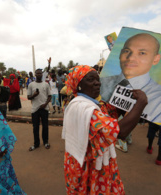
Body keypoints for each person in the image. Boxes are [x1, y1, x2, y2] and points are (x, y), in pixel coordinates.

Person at [62, 65, 148, 194]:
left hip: (85, 161)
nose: (97, 83)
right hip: (90, 165)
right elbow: (120, 131)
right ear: (78, 84)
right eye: (91, 79)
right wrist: (140, 103)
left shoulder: (91, 104)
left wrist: (125, 101)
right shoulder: (83, 108)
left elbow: (109, 114)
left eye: (97, 79)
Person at [100, 33, 161, 124]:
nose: (131, 58)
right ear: (120, 54)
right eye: (127, 51)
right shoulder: (100, 84)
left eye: (142, 53)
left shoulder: (158, 98)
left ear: (156, 59)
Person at [27, 69, 51, 151]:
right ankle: (36, 144)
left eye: (40, 73)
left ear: (42, 74)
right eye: (37, 73)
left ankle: (46, 142)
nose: (39, 74)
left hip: (44, 108)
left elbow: (49, 96)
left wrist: (45, 104)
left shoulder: (46, 84)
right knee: (35, 127)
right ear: (35, 74)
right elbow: (28, 97)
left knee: (45, 126)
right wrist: (34, 95)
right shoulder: (31, 85)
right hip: (35, 109)